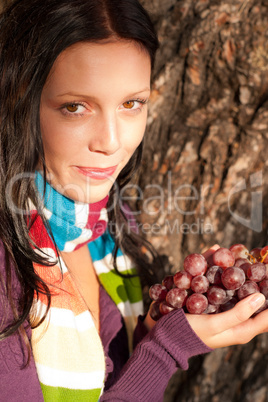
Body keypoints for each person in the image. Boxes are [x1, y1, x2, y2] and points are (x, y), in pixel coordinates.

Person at [0, 0, 268, 401]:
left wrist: (162, 329)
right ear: (19, 99)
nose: (110, 142)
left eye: (131, 104)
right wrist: (165, 350)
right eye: (76, 107)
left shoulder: (108, 220)